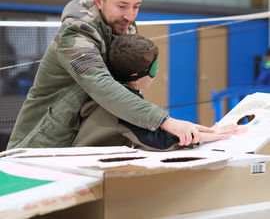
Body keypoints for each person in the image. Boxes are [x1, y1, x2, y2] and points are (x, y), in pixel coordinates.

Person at [7, 0, 233, 150]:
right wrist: (166, 121)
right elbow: (102, 86)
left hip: (83, 139)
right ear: (98, 0)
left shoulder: (124, 27)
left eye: (136, 6)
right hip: (39, 145)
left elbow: (126, 93)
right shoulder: (75, 34)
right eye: (122, 6)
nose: (130, 16)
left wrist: (192, 132)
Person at [72, 34, 235, 150]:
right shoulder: (123, 107)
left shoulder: (113, 90)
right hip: (84, 166)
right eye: (153, 68)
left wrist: (194, 129)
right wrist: (206, 137)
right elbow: (157, 141)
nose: (156, 73)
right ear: (136, 77)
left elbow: (156, 125)